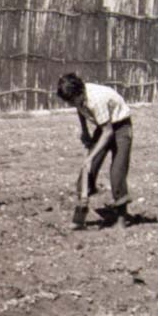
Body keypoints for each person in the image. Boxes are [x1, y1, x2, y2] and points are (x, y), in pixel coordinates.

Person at [56, 72, 133, 229]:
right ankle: (80, 213)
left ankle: (121, 217)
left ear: (79, 92)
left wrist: (90, 156)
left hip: (121, 127)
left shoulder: (95, 100)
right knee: (87, 171)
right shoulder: (79, 99)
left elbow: (108, 132)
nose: (71, 104)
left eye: (72, 100)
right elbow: (80, 108)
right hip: (104, 126)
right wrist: (84, 131)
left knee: (117, 172)